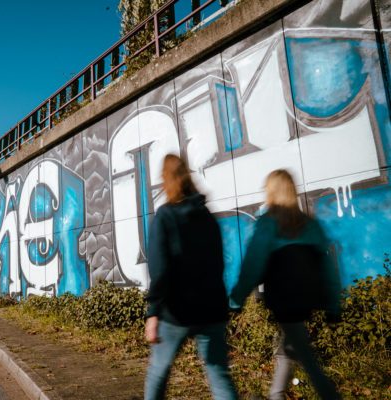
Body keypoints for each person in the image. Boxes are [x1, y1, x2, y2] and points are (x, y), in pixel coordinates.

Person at [229, 169, 341, 400]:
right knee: (289, 346)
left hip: (284, 299)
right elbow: (328, 267)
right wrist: (333, 305)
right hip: (307, 299)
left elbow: (253, 266)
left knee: (307, 359)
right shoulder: (310, 225)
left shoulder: (268, 225)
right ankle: (276, 394)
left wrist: (236, 299)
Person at [144, 154, 237, 400]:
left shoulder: (165, 216)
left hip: (177, 312)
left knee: (158, 372)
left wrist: (153, 311)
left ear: (165, 180)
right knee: (218, 374)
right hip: (212, 309)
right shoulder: (207, 216)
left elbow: (160, 269)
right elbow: (218, 262)